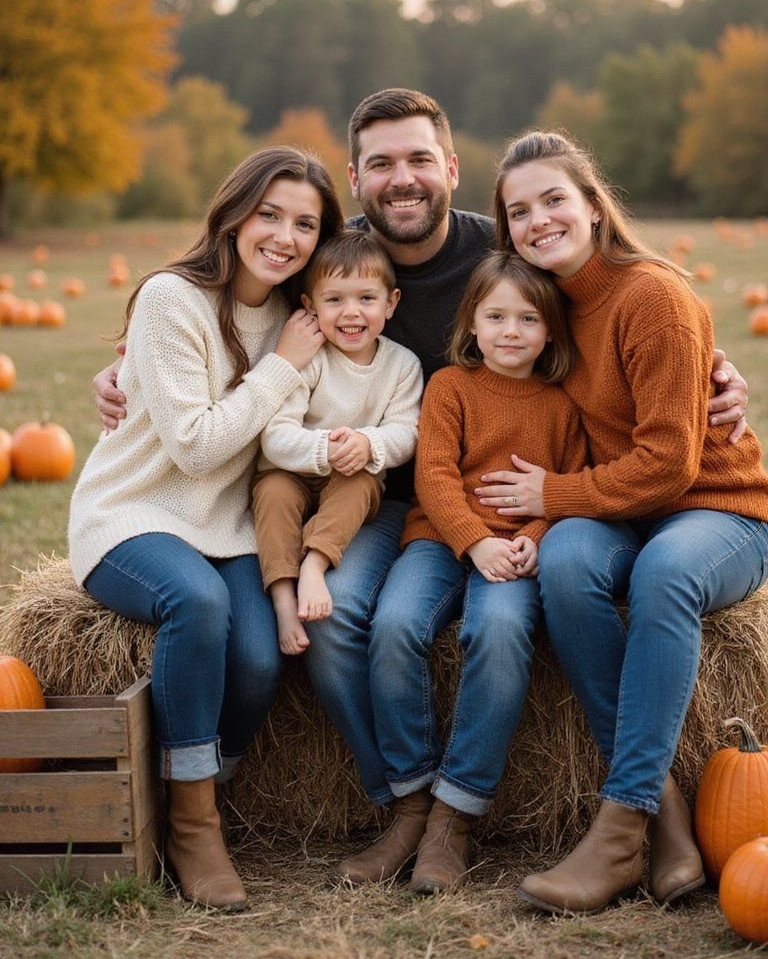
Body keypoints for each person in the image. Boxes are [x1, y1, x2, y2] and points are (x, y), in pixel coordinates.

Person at [92, 90, 751, 886]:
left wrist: (712, 372)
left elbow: (638, 340)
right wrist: (130, 363)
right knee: (337, 623)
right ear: (357, 179)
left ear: (450, 169)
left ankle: (615, 812)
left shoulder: (510, 259)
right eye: (380, 165)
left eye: (417, 160)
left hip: (529, 503)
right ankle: (408, 802)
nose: (401, 179)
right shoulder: (332, 257)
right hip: (392, 505)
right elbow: (227, 303)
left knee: (542, 600)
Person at [477, 130, 768, 914]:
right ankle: (663, 814)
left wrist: (552, 496)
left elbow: (671, 466)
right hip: (622, 512)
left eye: (554, 200)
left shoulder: (654, 297)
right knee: (568, 564)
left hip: (716, 510)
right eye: (519, 211)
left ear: (594, 206)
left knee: (664, 574)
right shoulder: (545, 311)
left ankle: (618, 826)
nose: (538, 220)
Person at [69, 146, 344, 909]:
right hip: (134, 514)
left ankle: (193, 778)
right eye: (270, 214)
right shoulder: (172, 300)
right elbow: (193, 450)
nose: (285, 236)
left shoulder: (301, 316)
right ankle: (194, 827)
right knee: (199, 606)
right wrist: (283, 367)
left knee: (257, 659)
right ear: (234, 214)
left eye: (305, 224)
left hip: (229, 526)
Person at [354, 251, 589, 893]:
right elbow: (432, 477)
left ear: (551, 332)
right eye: (496, 316)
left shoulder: (564, 404)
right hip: (441, 539)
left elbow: (567, 484)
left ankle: (454, 815)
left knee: (501, 632)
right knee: (395, 624)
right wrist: (474, 540)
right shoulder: (450, 387)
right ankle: (412, 798)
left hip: (514, 555)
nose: (511, 331)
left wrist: (536, 537)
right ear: (472, 323)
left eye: (528, 319)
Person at [251, 229, 423, 655]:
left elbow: (408, 431)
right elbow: (275, 435)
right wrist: (323, 447)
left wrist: (369, 445)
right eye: (334, 300)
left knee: (362, 482)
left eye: (366, 298)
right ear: (310, 306)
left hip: (351, 478)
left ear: (391, 302)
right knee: (271, 492)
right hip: (292, 473)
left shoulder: (402, 366)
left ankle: (315, 563)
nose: (352, 312)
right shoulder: (308, 358)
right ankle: (284, 597)